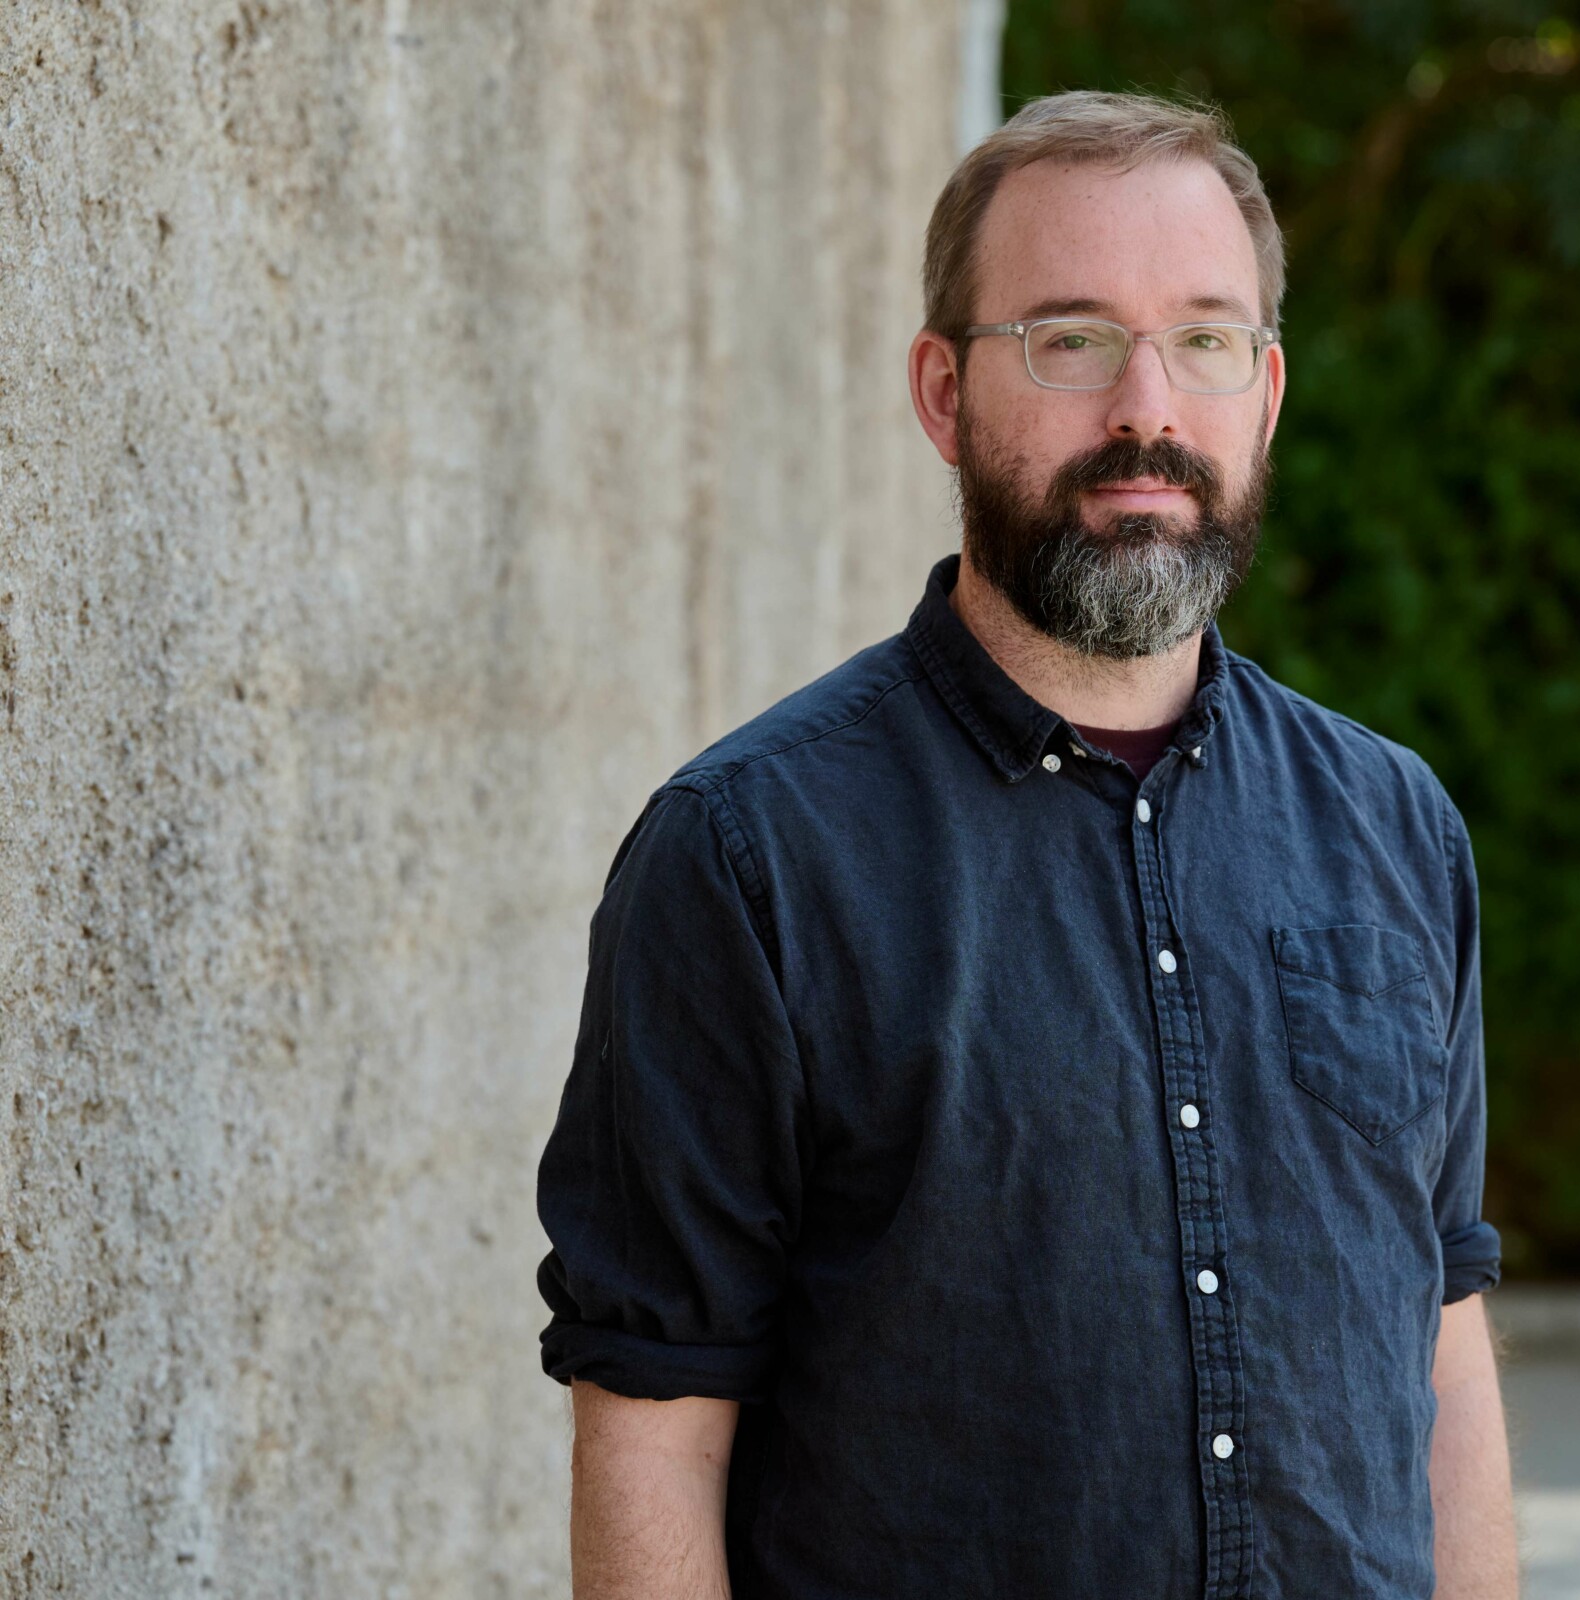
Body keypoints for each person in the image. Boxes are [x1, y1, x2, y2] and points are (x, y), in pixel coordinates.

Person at [534, 89, 1517, 1599]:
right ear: (943, 392)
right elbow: (657, 1425)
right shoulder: (748, 861)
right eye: (1068, 338)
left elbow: (1439, 1337)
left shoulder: (1394, 830)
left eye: (1203, 338)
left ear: (1264, 390)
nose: (1146, 408)